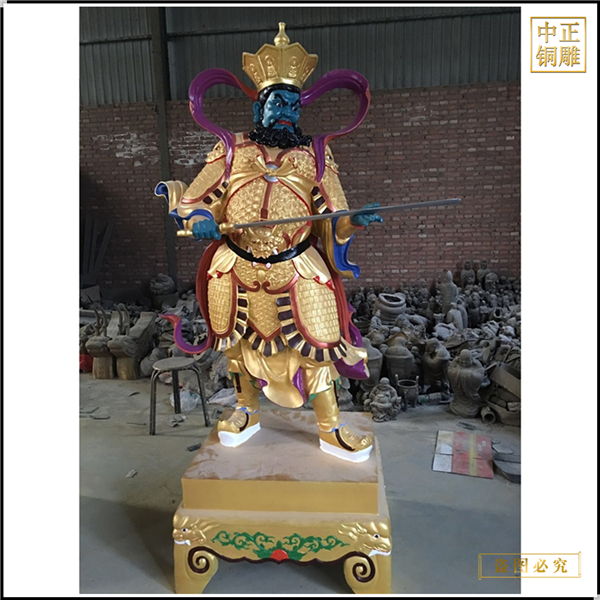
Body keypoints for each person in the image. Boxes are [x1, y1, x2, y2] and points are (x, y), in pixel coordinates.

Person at [157, 24, 382, 463]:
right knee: (237, 345)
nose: (287, 112)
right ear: (259, 105)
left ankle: (330, 427)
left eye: (294, 105)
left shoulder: (316, 155)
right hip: (234, 265)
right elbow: (194, 200)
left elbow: (334, 214)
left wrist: (353, 220)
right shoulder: (231, 150)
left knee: (319, 345)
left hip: (297, 267)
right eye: (278, 102)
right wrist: (202, 218)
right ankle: (246, 411)